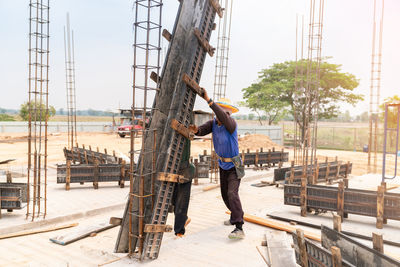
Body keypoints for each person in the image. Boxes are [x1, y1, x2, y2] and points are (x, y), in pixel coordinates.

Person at [190, 89, 245, 239]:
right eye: (221, 112)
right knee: (225, 195)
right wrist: (196, 130)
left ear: (228, 114)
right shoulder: (213, 123)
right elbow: (202, 130)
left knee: (232, 193)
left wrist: (208, 100)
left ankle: (239, 227)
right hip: (222, 164)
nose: (222, 115)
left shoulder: (231, 124)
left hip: (235, 164)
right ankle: (236, 214)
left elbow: (223, 117)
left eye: (225, 112)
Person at [171, 127, 195, 237]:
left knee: (181, 202)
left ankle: (179, 231)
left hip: (184, 170)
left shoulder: (184, 131)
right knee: (174, 199)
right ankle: (184, 219)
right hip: (171, 169)